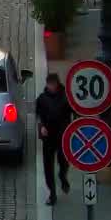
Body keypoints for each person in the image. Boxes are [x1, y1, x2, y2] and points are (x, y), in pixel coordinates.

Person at [36, 72, 74, 203]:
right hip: (48, 136)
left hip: (63, 134)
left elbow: (73, 112)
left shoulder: (66, 97)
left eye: (53, 84)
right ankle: (52, 193)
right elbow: (38, 114)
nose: (51, 87)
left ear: (57, 84)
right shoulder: (42, 99)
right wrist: (41, 127)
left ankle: (62, 176)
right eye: (49, 84)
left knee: (63, 160)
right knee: (48, 165)